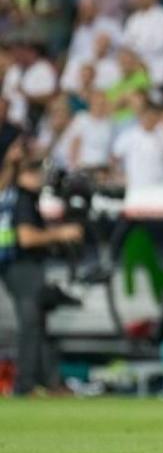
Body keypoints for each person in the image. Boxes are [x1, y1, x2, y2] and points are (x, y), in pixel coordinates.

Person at [3, 159, 83, 396]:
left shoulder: (14, 196)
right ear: (24, 174)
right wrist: (60, 233)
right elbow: (26, 237)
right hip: (22, 266)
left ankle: (48, 381)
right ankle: (25, 384)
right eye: (36, 172)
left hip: (18, 266)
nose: (41, 177)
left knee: (37, 323)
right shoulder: (23, 199)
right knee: (31, 325)